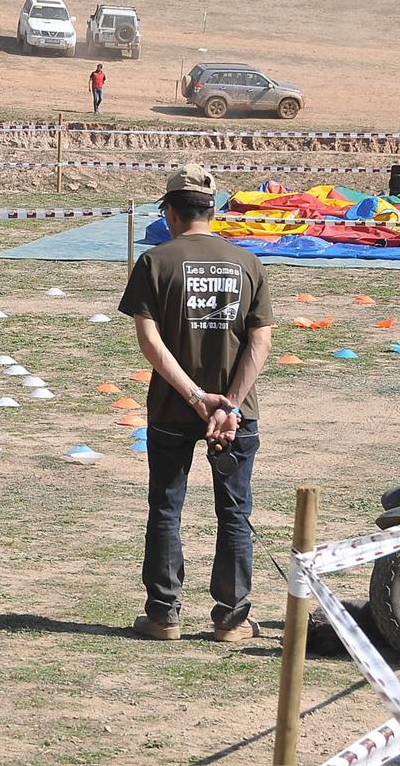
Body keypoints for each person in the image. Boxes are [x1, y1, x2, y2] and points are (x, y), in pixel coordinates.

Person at [118, 165, 273, 643]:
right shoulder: (247, 262)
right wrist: (231, 405)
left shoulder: (155, 262)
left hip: (171, 408)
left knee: (166, 507)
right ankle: (232, 619)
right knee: (235, 510)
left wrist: (195, 397)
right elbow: (260, 342)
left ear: (170, 212)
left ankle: (164, 614)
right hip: (235, 416)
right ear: (212, 209)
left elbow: (150, 341)